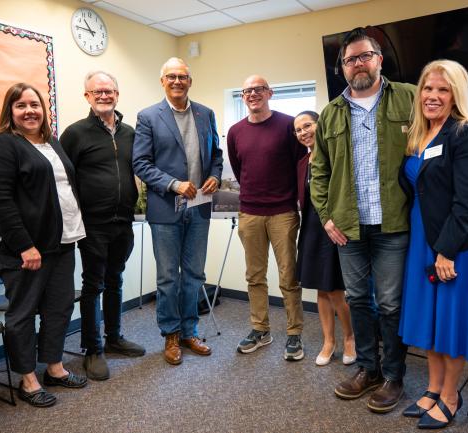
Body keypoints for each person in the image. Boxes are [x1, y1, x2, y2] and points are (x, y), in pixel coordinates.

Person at [310, 28, 415, 412]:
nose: (358, 63)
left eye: (365, 55)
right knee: (357, 299)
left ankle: (393, 375)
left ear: (379, 59)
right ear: (342, 68)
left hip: (394, 223)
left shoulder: (409, 97)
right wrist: (325, 216)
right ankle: (368, 368)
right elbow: (317, 171)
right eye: (350, 59)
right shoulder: (331, 112)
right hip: (348, 227)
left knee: (389, 303)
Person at [398, 59, 468, 429]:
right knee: (430, 319)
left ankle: (450, 396)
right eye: (428, 88)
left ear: (456, 94)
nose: (433, 96)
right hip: (423, 239)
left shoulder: (467, 134)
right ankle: (433, 387)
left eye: (443, 89)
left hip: (456, 245)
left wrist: (446, 250)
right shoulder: (417, 135)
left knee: (451, 322)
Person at [0, 83, 88, 408]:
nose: (29, 111)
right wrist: (25, 245)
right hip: (25, 250)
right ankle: (28, 379)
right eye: (21, 105)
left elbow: (63, 189)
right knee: (23, 313)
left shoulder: (50, 143)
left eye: (35, 105)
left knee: (59, 307)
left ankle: (54, 367)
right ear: (9, 111)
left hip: (62, 242)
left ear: (44, 109)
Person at [133, 57, 222, 365]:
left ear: (190, 81)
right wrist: (173, 184)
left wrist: (215, 175)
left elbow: (217, 154)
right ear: (163, 81)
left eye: (182, 76)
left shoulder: (205, 113)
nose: (177, 81)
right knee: (169, 277)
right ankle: (170, 335)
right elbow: (141, 163)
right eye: (171, 76)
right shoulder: (148, 117)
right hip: (166, 210)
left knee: (194, 274)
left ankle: (189, 331)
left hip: (199, 210)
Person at [60, 71, 144, 381]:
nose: (103, 95)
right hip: (92, 224)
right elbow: (64, 181)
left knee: (115, 280)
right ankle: (92, 349)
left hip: (123, 221)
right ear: (87, 96)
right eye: (97, 91)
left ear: (117, 95)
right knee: (93, 285)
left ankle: (114, 338)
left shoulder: (130, 133)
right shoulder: (75, 133)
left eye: (108, 91)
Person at [227, 75, 306, 361]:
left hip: (283, 213)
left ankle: (294, 334)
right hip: (250, 213)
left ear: (270, 92)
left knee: (288, 277)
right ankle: (261, 330)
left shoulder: (288, 124)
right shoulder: (235, 131)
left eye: (258, 89)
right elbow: (239, 170)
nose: (252, 94)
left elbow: (301, 164)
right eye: (246, 90)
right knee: (254, 276)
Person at [294, 111, 355, 366]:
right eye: (297, 130)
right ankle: (329, 341)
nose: (303, 132)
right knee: (320, 288)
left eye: (307, 125)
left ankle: (350, 338)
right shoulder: (301, 163)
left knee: (336, 290)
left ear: (320, 125)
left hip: (334, 227)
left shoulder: (336, 154)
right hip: (311, 227)